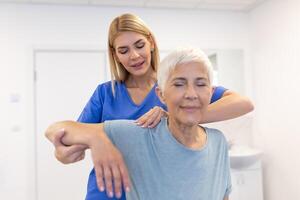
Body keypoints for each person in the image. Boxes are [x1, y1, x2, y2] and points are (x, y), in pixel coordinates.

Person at [51, 13, 253, 199]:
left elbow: (243, 103)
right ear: (115, 55)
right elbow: (67, 138)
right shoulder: (105, 93)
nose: (134, 56)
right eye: (124, 50)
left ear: (151, 43)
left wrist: (177, 114)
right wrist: (95, 138)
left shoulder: (174, 87)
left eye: (139, 45)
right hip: (108, 192)